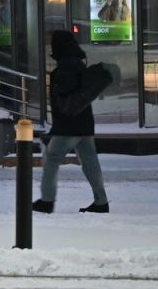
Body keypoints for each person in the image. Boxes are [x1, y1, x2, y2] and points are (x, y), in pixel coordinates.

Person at [32, 30, 109, 214]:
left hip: (69, 125)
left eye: (53, 43)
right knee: (90, 162)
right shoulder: (77, 62)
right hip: (84, 123)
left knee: (51, 158)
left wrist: (57, 126)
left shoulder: (66, 65)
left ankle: (47, 201)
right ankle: (101, 201)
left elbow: (65, 100)